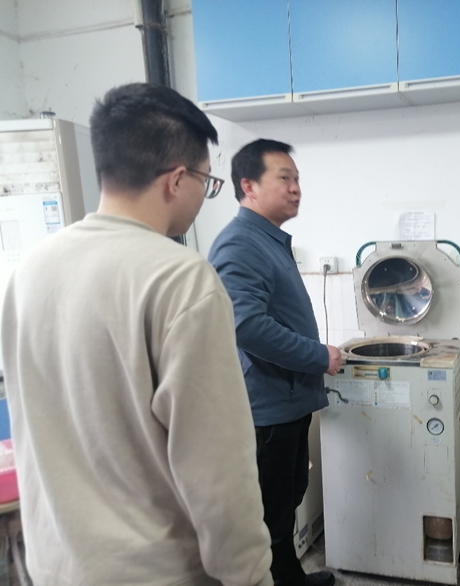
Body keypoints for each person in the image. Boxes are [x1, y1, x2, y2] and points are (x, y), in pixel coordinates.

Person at [1, 83, 273, 586]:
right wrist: (251, 576)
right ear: (177, 180)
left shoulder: (28, 272)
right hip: (155, 572)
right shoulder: (181, 279)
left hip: (55, 566)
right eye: (207, 181)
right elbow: (219, 476)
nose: (204, 195)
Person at [208, 139, 341, 586]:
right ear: (248, 186)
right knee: (269, 513)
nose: (296, 188)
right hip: (266, 408)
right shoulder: (240, 243)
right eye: (284, 178)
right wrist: (318, 356)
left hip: (287, 401)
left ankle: (291, 579)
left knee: (286, 501)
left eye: (297, 179)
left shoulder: (267, 240)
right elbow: (246, 325)